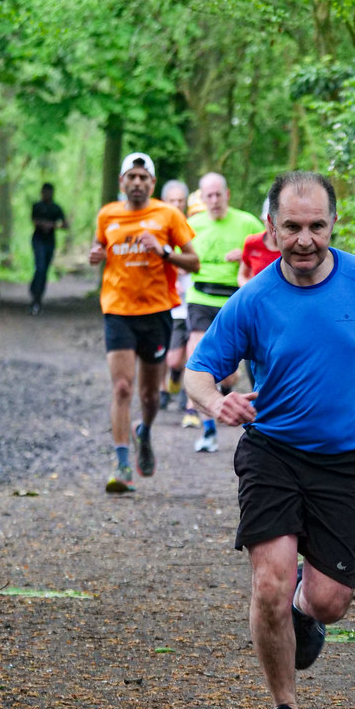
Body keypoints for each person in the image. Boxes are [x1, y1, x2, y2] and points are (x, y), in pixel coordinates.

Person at [185, 171, 355, 709]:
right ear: (271, 227)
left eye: (316, 226)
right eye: (292, 227)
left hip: (346, 461)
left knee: (331, 602)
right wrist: (218, 402)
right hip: (274, 454)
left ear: (334, 224)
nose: (305, 239)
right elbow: (197, 371)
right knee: (269, 586)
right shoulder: (255, 298)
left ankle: (305, 613)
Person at [89, 153, 200, 494]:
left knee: (150, 396)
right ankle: (123, 465)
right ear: (122, 182)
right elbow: (99, 246)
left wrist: (164, 251)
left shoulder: (168, 215)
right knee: (122, 387)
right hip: (118, 310)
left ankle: (145, 431)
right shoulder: (107, 214)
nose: (136, 182)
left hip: (156, 312)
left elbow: (194, 262)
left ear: (152, 184)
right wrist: (95, 254)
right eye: (131, 177)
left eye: (143, 178)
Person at [182, 172, 263, 452]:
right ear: (201, 199)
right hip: (200, 296)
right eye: (209, 196)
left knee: (228, 376)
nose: (214, 200)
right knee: (199, 360)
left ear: (227, 195)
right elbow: (180, 261)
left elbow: (266, 252)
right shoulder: (192, 225)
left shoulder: (247, 223)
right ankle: (207, 431)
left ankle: (225, 393)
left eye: (219, 194)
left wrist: (245, 254)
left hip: (234, 298)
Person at [157, 179, 192, 411]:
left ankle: (187, 393)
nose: (177, 205)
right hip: (162, 300)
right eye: (172, 201)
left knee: (189, 349)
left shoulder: (193, 229)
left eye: (181, 201)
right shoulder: (156, 230)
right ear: (163, 202)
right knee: (168, 354)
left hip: (191, 300)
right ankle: (163, 388)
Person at [29, 183, 69, 315]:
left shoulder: (56, 208)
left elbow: (65, 225)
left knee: (44, 270)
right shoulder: (37, 206)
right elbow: (34, 220)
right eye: (44, 192)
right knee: (39, 268)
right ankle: (36, 299)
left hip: (50, 242)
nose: (46, 194)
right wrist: (42, 224)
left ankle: (37, 293)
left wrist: (53, 225)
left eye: (49, 192)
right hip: (38, 240)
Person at [237, 197, 281, 287]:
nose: (273, 226)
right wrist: (251, 291)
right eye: (270, 221)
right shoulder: (252, 243)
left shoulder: (292, 246)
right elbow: (242, 276)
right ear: (263, 220)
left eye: (277, 222)